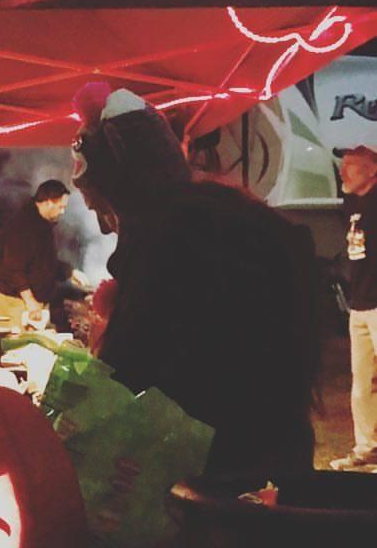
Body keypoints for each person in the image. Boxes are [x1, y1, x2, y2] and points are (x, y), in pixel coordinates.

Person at [71, 82, 321, 477]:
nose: (105, 230)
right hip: (276, 443)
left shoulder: (168, 239)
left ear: (124, 189)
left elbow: (134, 370)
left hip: (221, 461)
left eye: (103, 210)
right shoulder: (223, 217)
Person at [330, 146, 377, 471]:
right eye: (342, 166)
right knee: (361, 382)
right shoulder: (353, 204)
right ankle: (366, 449)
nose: (343, 172)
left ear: (372, 170)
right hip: (359, 305)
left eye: (352, 167)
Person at [0, 179, 70, 330]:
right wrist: (30, 302)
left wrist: (71, 272)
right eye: (60, 207)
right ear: (48, 202)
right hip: (10, 297)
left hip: (27, 299)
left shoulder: (43, 223)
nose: (62, 212)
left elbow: (44, 262)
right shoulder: (23, 224)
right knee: (22, 342)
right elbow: (14, 269)